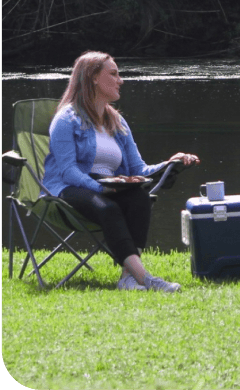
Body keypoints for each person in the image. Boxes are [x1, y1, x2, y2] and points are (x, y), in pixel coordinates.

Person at [42, 51, 200, 292]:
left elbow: (139, 169)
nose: (121, 80)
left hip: (108, 186)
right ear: (93, 77)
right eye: (113, 74)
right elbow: (68, 171)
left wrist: (170, 163)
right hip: (69, 189)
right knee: (109, 208)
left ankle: (127, 278)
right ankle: (146, 279)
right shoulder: (66, 119)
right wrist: (100, 187)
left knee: (140, 199)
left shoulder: (117, 122)